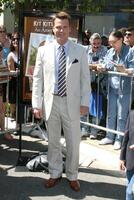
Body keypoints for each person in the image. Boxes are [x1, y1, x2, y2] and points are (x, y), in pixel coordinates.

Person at [32, 11, 91, 192]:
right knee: (53, 142)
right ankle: (55, 173)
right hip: (51, 103)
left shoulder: (80, 51)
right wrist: (36, 104)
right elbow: (37, 79)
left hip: (72, 104)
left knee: (74, 142)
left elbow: (84, 79)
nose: (61, 30)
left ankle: (72, 176)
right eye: (58, 27)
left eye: (65, 27)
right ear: (53, 28)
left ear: (70, 29)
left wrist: (84, 103)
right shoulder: (43, 50)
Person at [98, 30, 134, 150]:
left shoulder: (129, 51)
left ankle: (119, 139)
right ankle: (109, 136)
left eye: (113, 42)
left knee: (121, 115)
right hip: (112, 88)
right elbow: (105, 63)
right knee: (111, 113)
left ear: (120, 40)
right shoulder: (110, 51)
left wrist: (126, 70)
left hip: (125, 89)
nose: (111, 44)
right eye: (109, 42)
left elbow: (132, 68)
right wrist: (101, 67)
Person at [86, 33, 107, 139]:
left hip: (99, 84)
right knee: (84, 106)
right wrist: (94, 66)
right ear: (90, 42)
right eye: (94, 43)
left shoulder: (104, 50)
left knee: (96, 108)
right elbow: (82, 64)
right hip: (85, 83)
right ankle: (84, 129)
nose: (96, 46)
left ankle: (93, 131)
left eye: (98, 43)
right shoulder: (84, 50)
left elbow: (104, 65)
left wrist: (90, 66)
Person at [120, 110, 134, 200]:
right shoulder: (132, 114)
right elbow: (126, 136)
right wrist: (122, 158)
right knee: (129, 189)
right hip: (130, 159)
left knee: (130, 191)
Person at [7, 32, 19, 119]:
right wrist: (16, 72)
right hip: (14, 83)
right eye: (14, 39)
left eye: (17, 39)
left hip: (22, 83)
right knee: (13, 102)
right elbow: (10, 71)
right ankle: (13, 116)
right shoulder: (11, 55)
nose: (15, 41)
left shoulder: (24, 53)